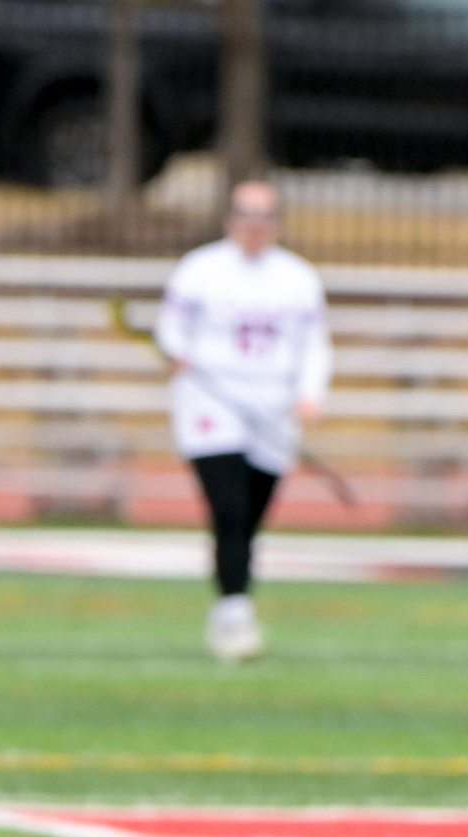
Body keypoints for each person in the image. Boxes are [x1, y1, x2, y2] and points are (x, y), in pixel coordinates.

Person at [156, 179, 331, 663]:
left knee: (250, 515)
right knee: (228, 508)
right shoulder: (200, 269)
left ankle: (230, 596)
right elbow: (170, 327)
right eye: (246, 215)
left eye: (265, 216)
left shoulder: (298, 278)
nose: (255, 226)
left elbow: (313, 345)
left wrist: (309, 395)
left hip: (272, 406)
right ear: (230, 219)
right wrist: (176, 352)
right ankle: (235, 610)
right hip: (213, 403)